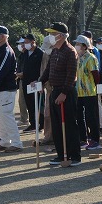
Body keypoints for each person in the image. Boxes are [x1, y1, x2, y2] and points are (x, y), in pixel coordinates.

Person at [38, 22, 82, 166]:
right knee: (56, 125)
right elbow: (48, 70)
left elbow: (71, 75)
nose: (50, 36)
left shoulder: (70, 51)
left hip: (66, 92)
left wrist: (64, 93)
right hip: (54, 90)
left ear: (61, 36)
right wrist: (40, 82)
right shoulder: (55, 50)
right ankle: (61, 154)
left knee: (69, 125)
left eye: (52, 33)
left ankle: (74, 156)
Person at [0, 26, 23, 152]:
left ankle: (16, 143)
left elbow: (0, 71)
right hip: (0, 89)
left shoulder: (6, 51)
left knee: (6, 116)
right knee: (0, 116)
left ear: (3, 36)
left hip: (5, 89)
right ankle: (5, 141)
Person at [74, 34, 101, 150]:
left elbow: (96, 76)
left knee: (91, 117)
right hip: (79, 92)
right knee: (79, 116)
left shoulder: (91, 58)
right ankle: (83, 138)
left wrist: (98, 89)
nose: (76, 46)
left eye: (78, 44)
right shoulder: (77, 58)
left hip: (90, 92)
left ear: (85, 46)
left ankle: (95, 139)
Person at [20, 33, 44, 132]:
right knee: (29, 103)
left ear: (33, 42)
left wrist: (39, 80)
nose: (25, 44)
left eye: (26, 42)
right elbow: (22, 65)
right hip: (26, 82)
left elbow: (43, 69)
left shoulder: (40, 53)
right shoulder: (25, 53)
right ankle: (33, 123)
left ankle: (41, 124)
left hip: (37, 82)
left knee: (38, 103)